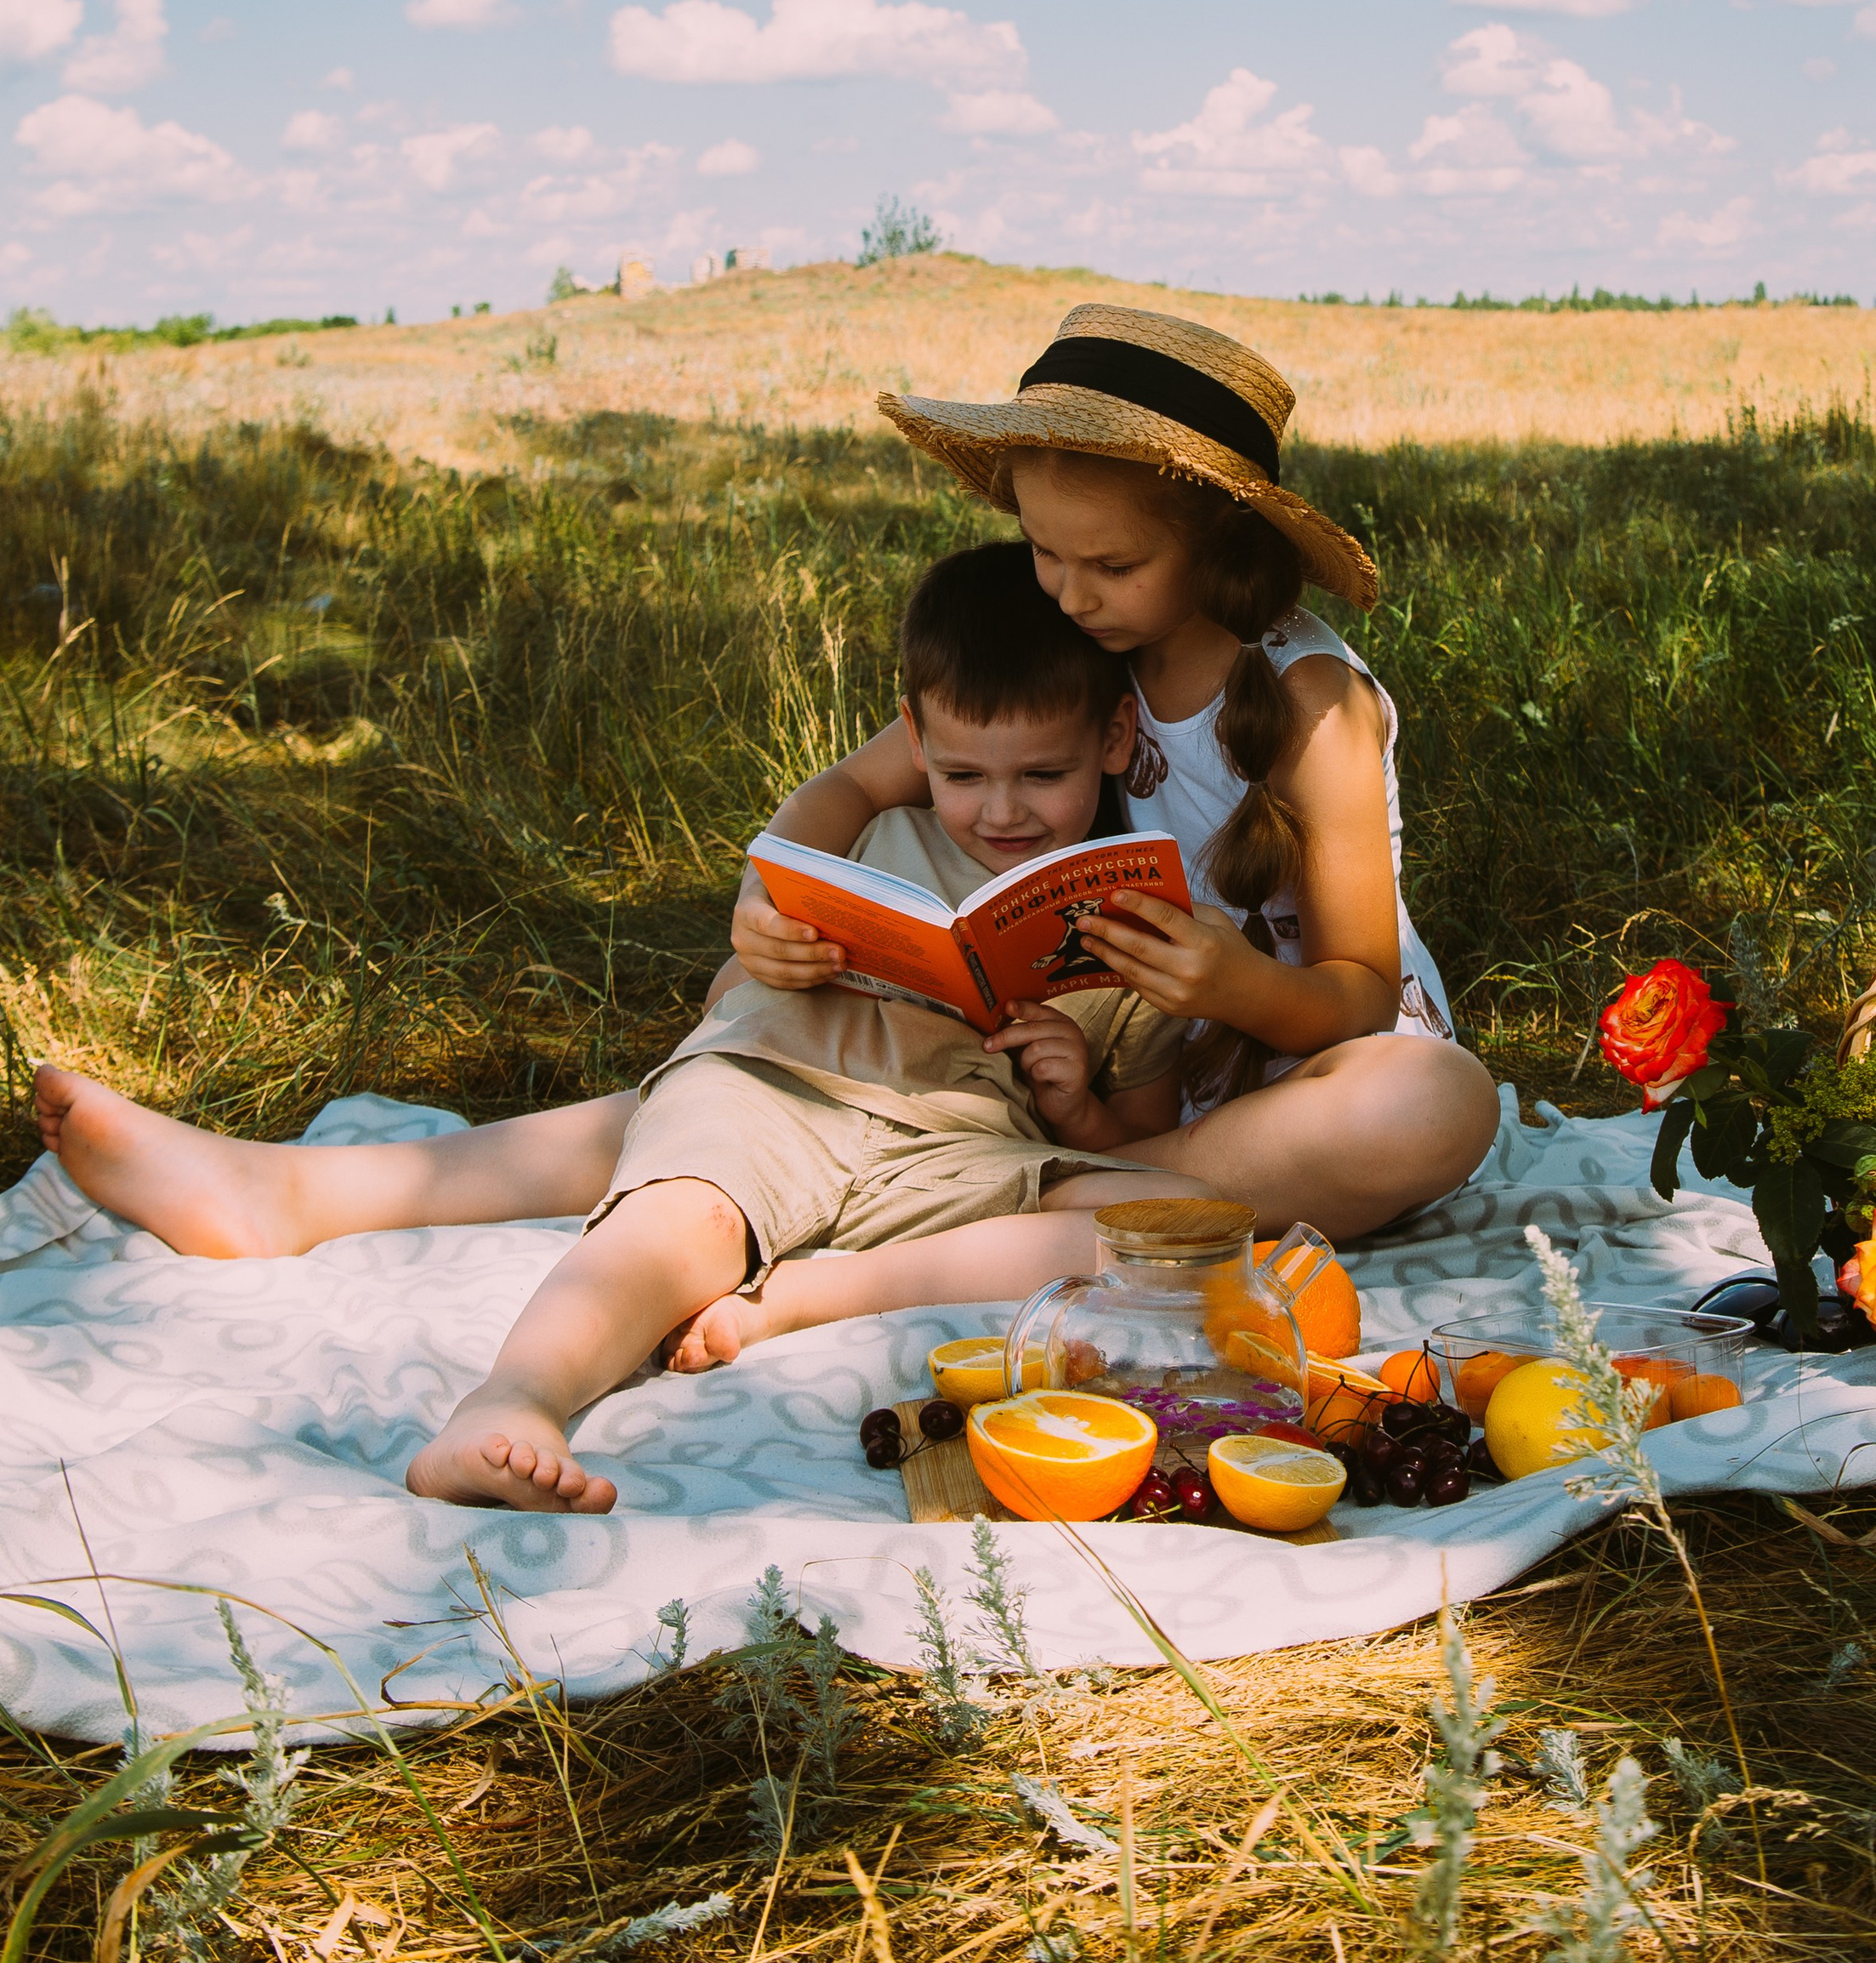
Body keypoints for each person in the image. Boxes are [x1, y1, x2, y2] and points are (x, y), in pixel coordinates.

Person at [32, 546, 1215, 1513]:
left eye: (1041, 775)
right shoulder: (876, 824)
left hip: (963, 1148)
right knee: (680, 1216)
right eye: (963, 774)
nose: (1001, 808)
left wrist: (1078, 1103)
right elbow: (797, 852)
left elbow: (1145, 1130)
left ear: (1114, 740)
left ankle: (818, 1287)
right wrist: (774, 912)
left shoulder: (1141, 911)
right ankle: (513, 1398)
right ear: (915, 739)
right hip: (794, 1086)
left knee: (1153, 1244)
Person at [715, 300, 1501, 1300]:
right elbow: (855, 784)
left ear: (1218, 544)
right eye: (1046, 552)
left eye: (1112, 565)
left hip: (1293, 1082)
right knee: (739, 991)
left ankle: (1042, 1195)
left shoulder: (1313, 702)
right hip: (1103, 1063)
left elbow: (1358, 995)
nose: (1070, 595)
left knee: (1432, 1105)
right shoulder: (1081, 643)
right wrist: (763, 899)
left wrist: (1234, 988)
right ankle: (1069, 1199)